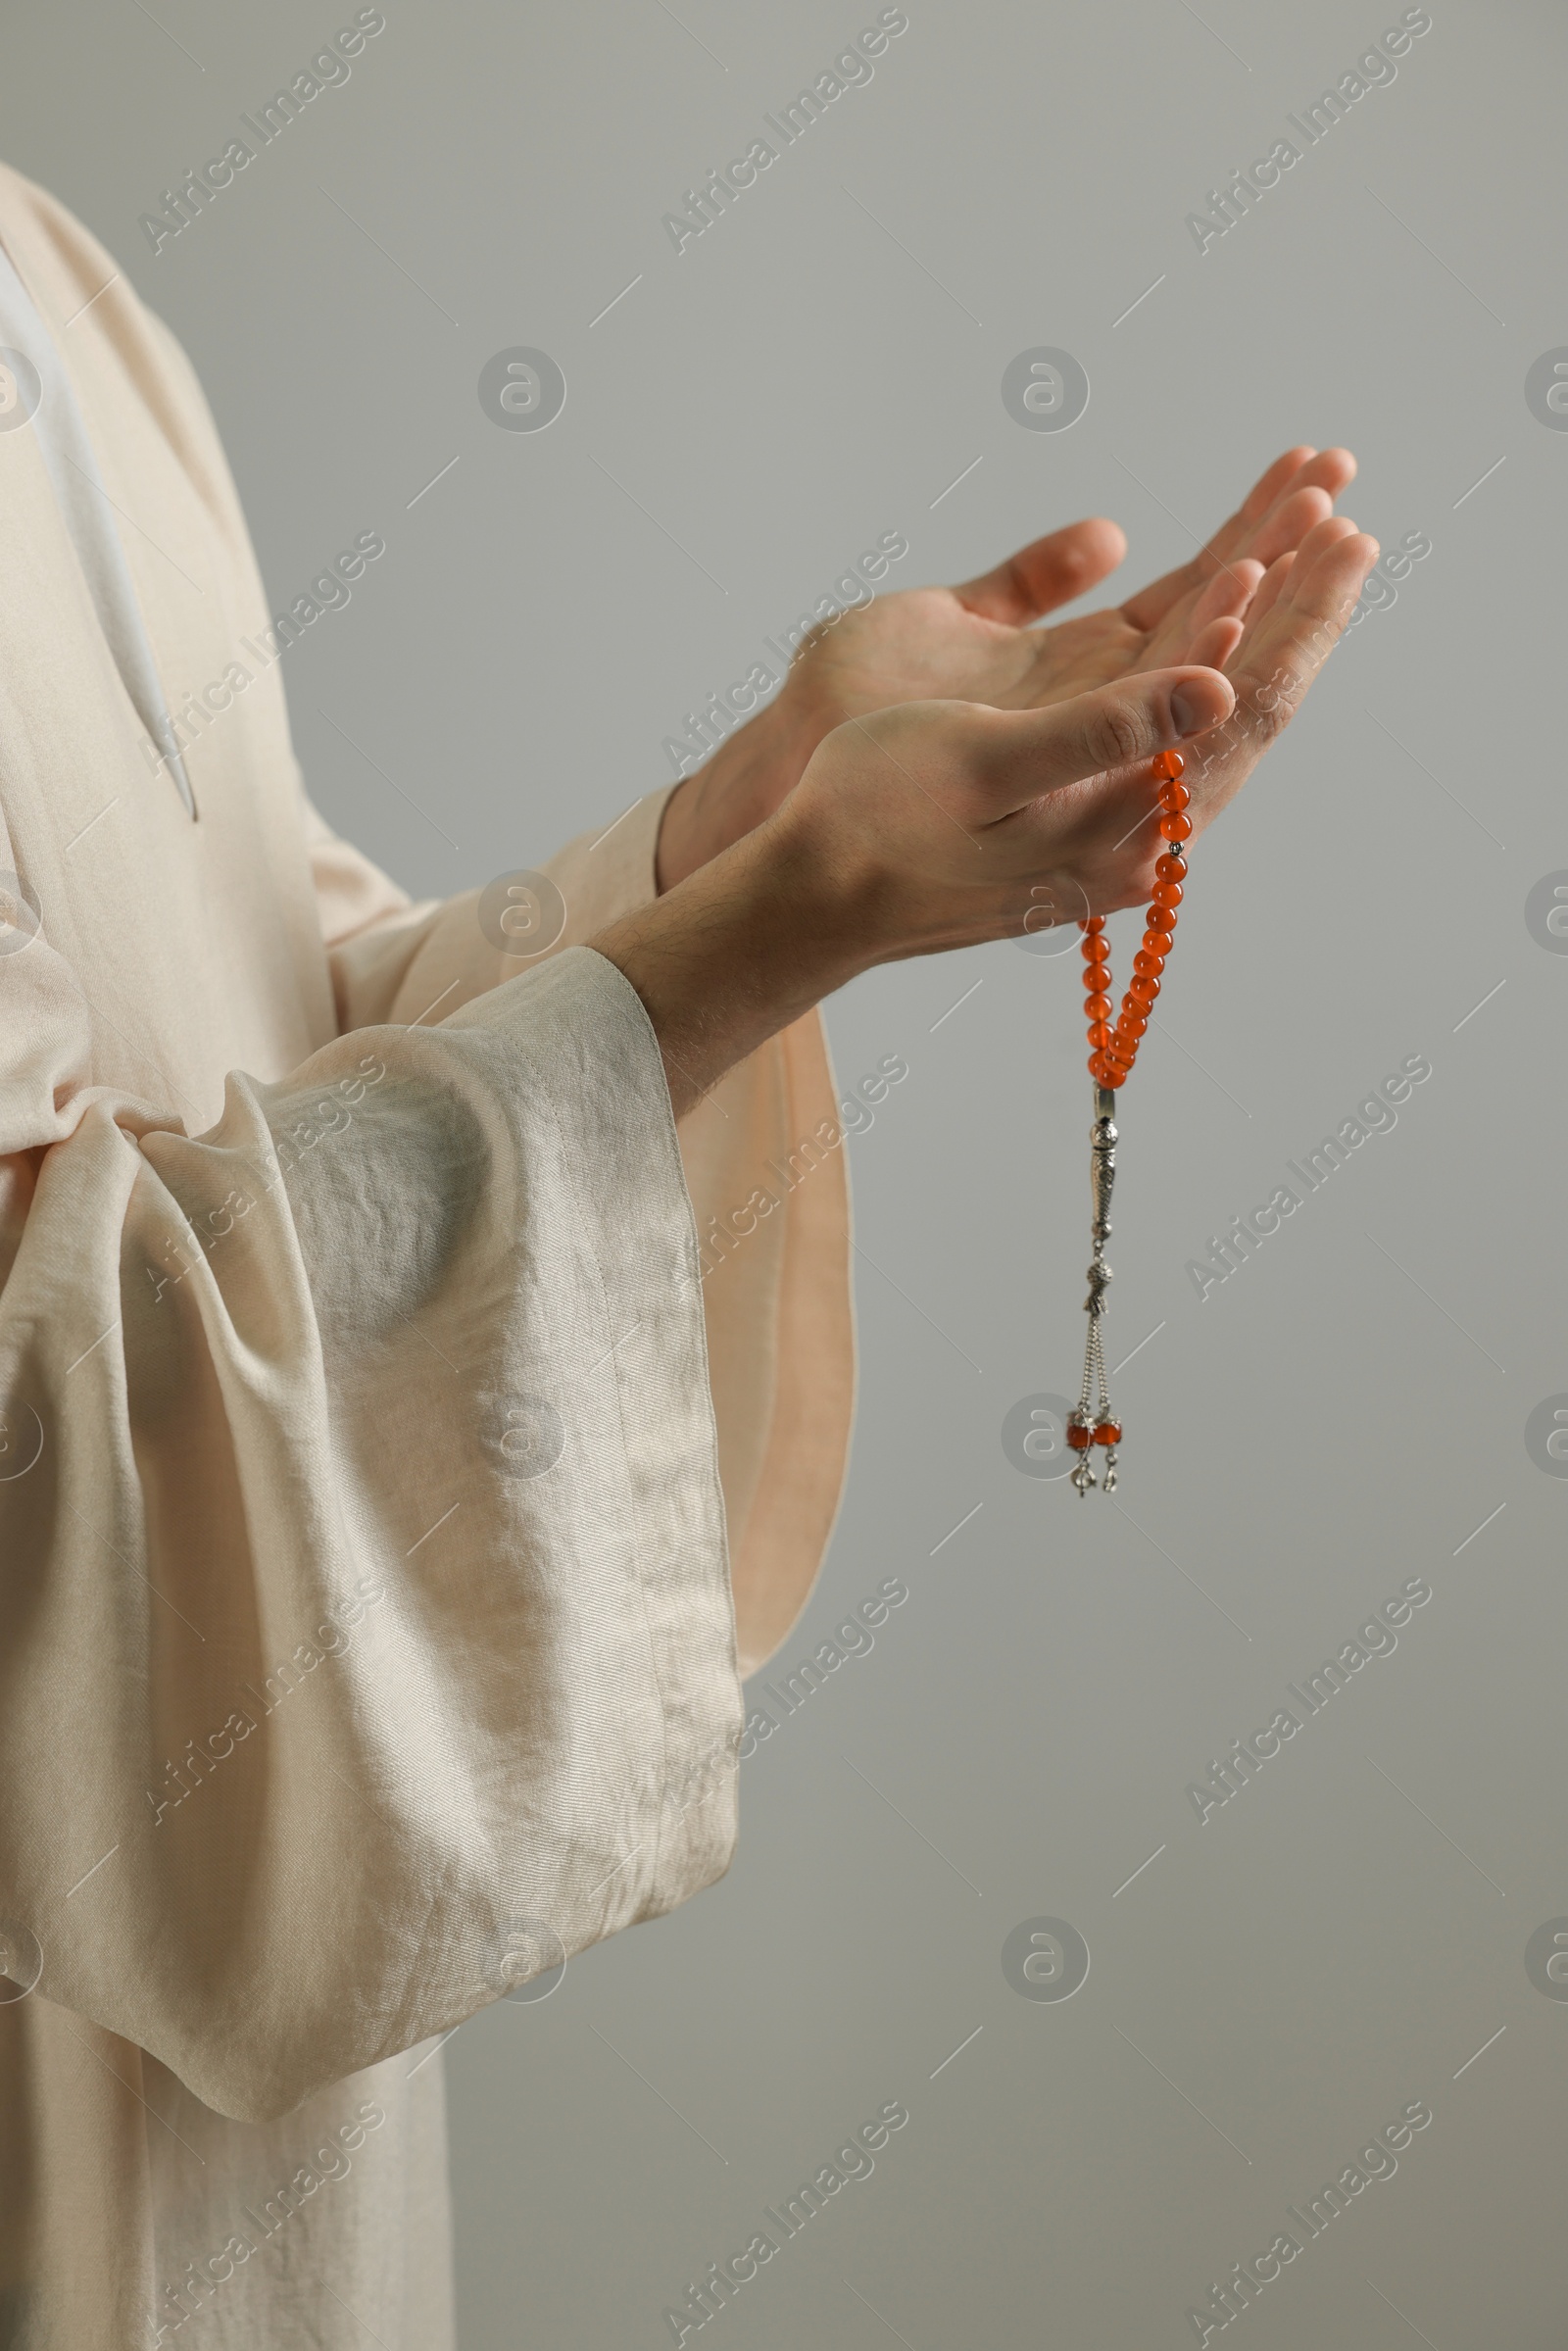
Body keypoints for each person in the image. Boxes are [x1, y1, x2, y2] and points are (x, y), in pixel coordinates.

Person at [0, 155, 1376, 2348]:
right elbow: (43, 1377)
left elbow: (283, 1031)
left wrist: (740, 824)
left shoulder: (52, 277)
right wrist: (758, 937)